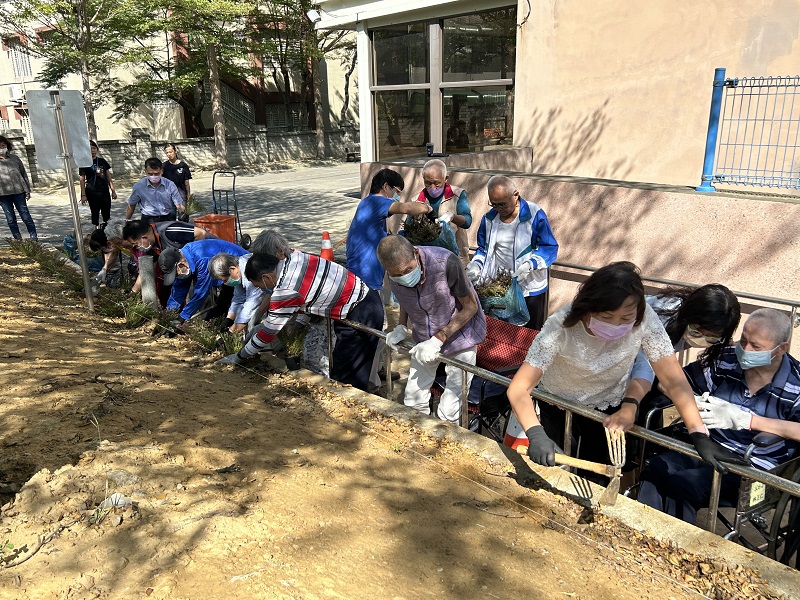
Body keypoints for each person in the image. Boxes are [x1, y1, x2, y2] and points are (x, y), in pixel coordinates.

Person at [505, 261, 743, 475]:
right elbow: (519, 387)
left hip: (608, 407)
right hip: (557, 402)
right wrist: (535, 433)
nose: (617, 325)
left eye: (626, 318)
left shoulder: (645, 318)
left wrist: (698, 432)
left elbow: (672, 378)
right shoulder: (561, 325)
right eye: (607, 317)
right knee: (559, 469)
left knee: (602, 474)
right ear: (587, 308)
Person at [638, 309, 800, 524]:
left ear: (781, 349)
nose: (745, 349)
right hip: (709, 445)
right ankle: (639, 533)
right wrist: (692, 402)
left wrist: (747, 420)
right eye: (743, 340)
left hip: (754, 465)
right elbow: (671, 382)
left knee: (684, 484)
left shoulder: (796, 384)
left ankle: (675, 548)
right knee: (657, 468)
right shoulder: (726, 359)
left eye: (756, 346)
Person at [221, 251, 384, 393]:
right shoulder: (294, 259)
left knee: (347, 376)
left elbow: (268, 333)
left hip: (361, 311)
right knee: (345, 366)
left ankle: (352, 416)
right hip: (357, 301)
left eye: (261, 287)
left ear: (266, 277)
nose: (264, 292)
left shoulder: (285, 289)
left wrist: (239, 356)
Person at [378, 235, 486, 423]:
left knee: (449, 410)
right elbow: (406, 297)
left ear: (416, 253)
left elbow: (471, 306)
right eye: (397, 275)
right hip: (424, 339)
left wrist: (439, 338)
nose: (404, 276)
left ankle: (444, 442)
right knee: (412, 400)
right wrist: (401, 326)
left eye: (408, 270)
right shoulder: (393, 274)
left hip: (461, 336)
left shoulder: (445, 262)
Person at [639, 284, 742, 426]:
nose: (703, 339)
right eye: (696, 332)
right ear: (687, 316)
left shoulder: (717, 337)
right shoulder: (660, 319)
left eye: (712, 337)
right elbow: (657, 376)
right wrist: (690, 404)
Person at [466, 175, 558, 330]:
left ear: (515, 195)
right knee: (499, 332)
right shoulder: (489, 219)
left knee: (527, 336)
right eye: (494, 204)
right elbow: (483, 249)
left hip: (530, 290)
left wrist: (530, 264)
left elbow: (549, 247)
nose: (498, 209)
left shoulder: (534, 214)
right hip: (499, 289)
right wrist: (476, 265)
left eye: (502, 204)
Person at [345, 168, 435, 291]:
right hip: (365, 277)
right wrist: (428, 209)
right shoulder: (377, 202)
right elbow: (406, 208)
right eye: (396, 191)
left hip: (357, 273)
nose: (396, 196)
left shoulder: (366, 203)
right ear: (386, 186)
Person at [122, 219, 217, 302]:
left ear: (144, 238)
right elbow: (147, 271)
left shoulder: (170, 231)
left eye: (136, 244)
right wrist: (133, 291)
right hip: (188, 265)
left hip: (212, 256)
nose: (137, 248)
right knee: (193, 295)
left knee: (204, 294)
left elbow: (201, 233)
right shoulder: (151, 246)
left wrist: (192, 261)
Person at [158, 239, 248, 324]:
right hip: (224, 276)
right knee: (216, 314)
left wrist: (182, 317)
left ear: (182, 264)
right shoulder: (184, 261)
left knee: (226, 310)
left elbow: (200, 293)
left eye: (176, 274)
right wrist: (166, 316)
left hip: (238, 272)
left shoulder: (201, 258)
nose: (177, 277)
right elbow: (178, 291)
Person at [415, 159, 473, 265]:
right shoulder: (417, 201)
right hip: (428, 259)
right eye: (428, 183)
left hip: (456, 257)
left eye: (437, 183)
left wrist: (453, 217)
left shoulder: (458, 195)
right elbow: (408, 228)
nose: (432, 187)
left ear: (446, 178)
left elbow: (468, 221)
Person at [208, 252, 265, 334]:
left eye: (224, 280)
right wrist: (229, 319)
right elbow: (239, 297)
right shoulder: (238, 273)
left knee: (252, 322)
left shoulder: (250, 270)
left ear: (232, 269)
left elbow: (252, 303)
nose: (224, 283)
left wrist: (232, 331)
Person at [126, 157, 185, 223]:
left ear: (161, 171)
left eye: (156, 174)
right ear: (145, 171)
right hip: (148, 219)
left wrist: (184, 213)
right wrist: (126, 221)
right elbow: (131, 205)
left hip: (167, 218)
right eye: (150, 174)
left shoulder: (170, 185)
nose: (153, 176)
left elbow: (179, 204)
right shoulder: (139, 186)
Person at [0, 134, 37, 240]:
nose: (1, 148)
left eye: (3, 145)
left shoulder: (15, 159)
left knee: (26, 216)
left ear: (7, 146)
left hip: (18, 192)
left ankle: (34, 237)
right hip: (3, 195)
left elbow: (23, 174)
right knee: (10, 218)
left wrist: (27, 190)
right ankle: (17, 239)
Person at [79, 141, 117, 229]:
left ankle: (107, 231)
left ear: (97, 149)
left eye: (94, 148)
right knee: (95, 213)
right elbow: (82, 180)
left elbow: (108, 177)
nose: (92, 151)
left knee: (106, 213)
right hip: (92, 191)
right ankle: (95, 232)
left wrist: (113, 191)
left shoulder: (102, 161)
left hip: (104, 190)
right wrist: (83, 195)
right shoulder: (84, 163)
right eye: (90, 149)